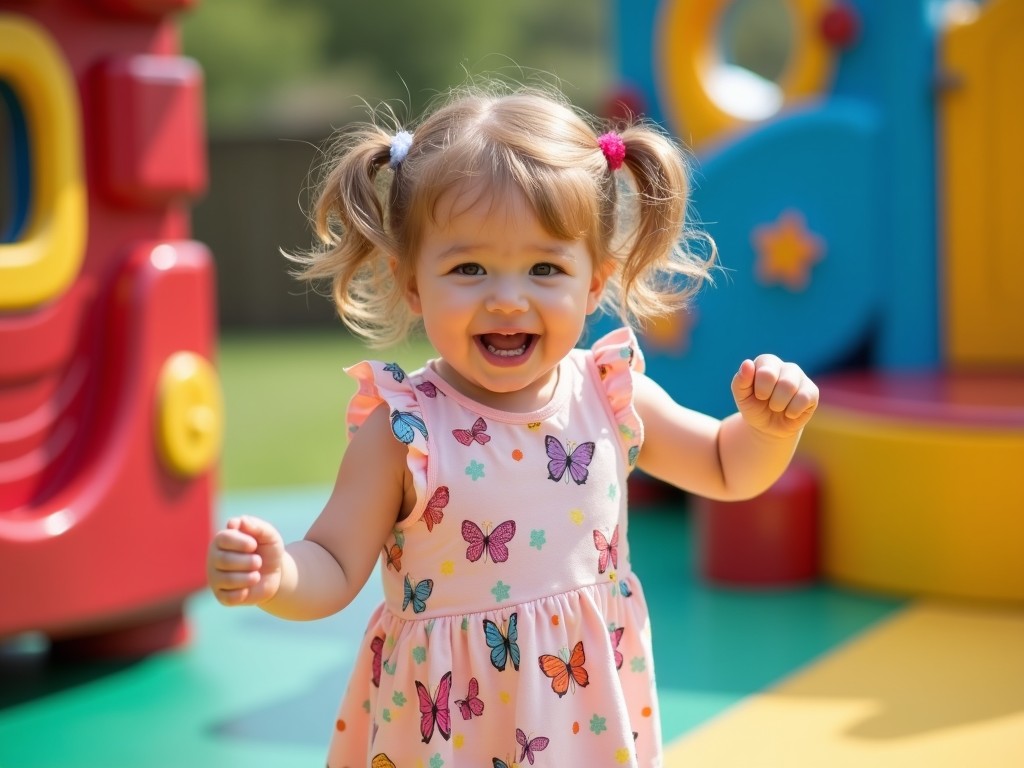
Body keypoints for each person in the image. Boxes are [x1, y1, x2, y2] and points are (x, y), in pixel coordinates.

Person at [207, 82, 819, 768]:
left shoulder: (611, 394)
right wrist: (280, 573)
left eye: (544, 268)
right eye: (468, 267)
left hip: (577, 713)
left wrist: (766, 429)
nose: (507, 298)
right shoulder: (405, 429)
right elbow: (336, 563)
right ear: (412, 282)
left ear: (593, 284)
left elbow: (725, 467)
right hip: (445, 727)